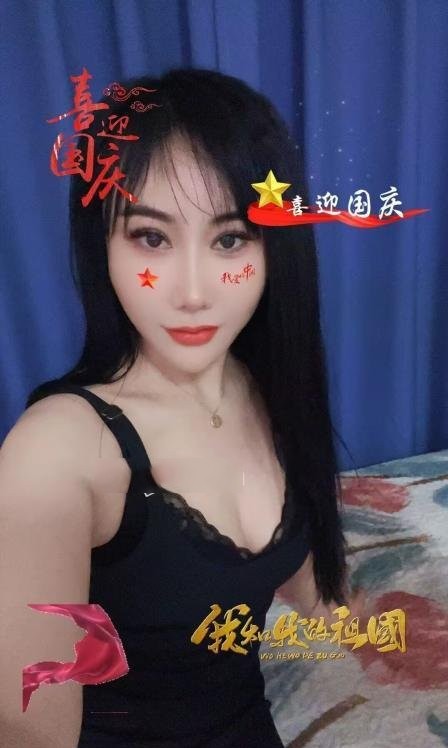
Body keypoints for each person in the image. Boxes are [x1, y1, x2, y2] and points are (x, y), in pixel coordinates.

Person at [0, 67, 364, 748]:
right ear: (102, 245)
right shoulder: (56, 454)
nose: (193, 293)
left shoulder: (268, 387)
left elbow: (321, 597)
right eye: (151, 237)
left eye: (230, 239)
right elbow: (27, 729)